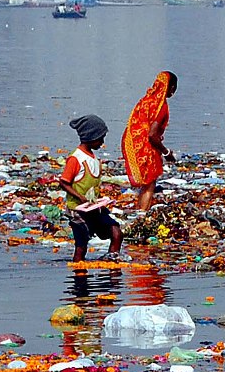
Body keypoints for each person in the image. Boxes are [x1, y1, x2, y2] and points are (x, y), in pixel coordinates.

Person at [58, 114, 124, 262]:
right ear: (90, 137)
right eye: (100, 138)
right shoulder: (76, 158)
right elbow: (63, 182)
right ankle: (79, 278)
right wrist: (80, 197)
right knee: (81, 246)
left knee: (116, 232)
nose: (102, 142)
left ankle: (112, 266)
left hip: (93, 208)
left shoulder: (93, 158)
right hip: (78, 211)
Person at [122, 71, 178, 212]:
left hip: (132, 142)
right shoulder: (161, 106)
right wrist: (166, 152)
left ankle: (138, 211)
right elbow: (152, 135)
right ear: (170, 88)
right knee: (150, 182)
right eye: (173, 88)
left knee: (146, 182)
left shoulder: (146, 100)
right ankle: (142, 213)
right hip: (145, 145)